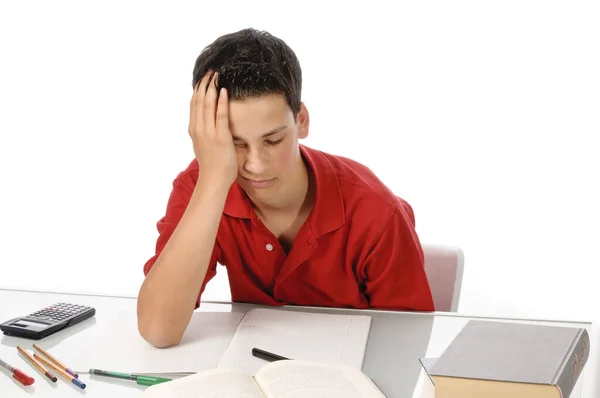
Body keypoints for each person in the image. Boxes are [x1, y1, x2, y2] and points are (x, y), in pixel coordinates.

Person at [137, 28, 434, 348]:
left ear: (302, 121)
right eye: (234, 144)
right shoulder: (202, 186)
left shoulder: (376, 211)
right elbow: (158, 330)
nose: (256, 165)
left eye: (273, 140)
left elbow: (410, 346)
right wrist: (212, 182)